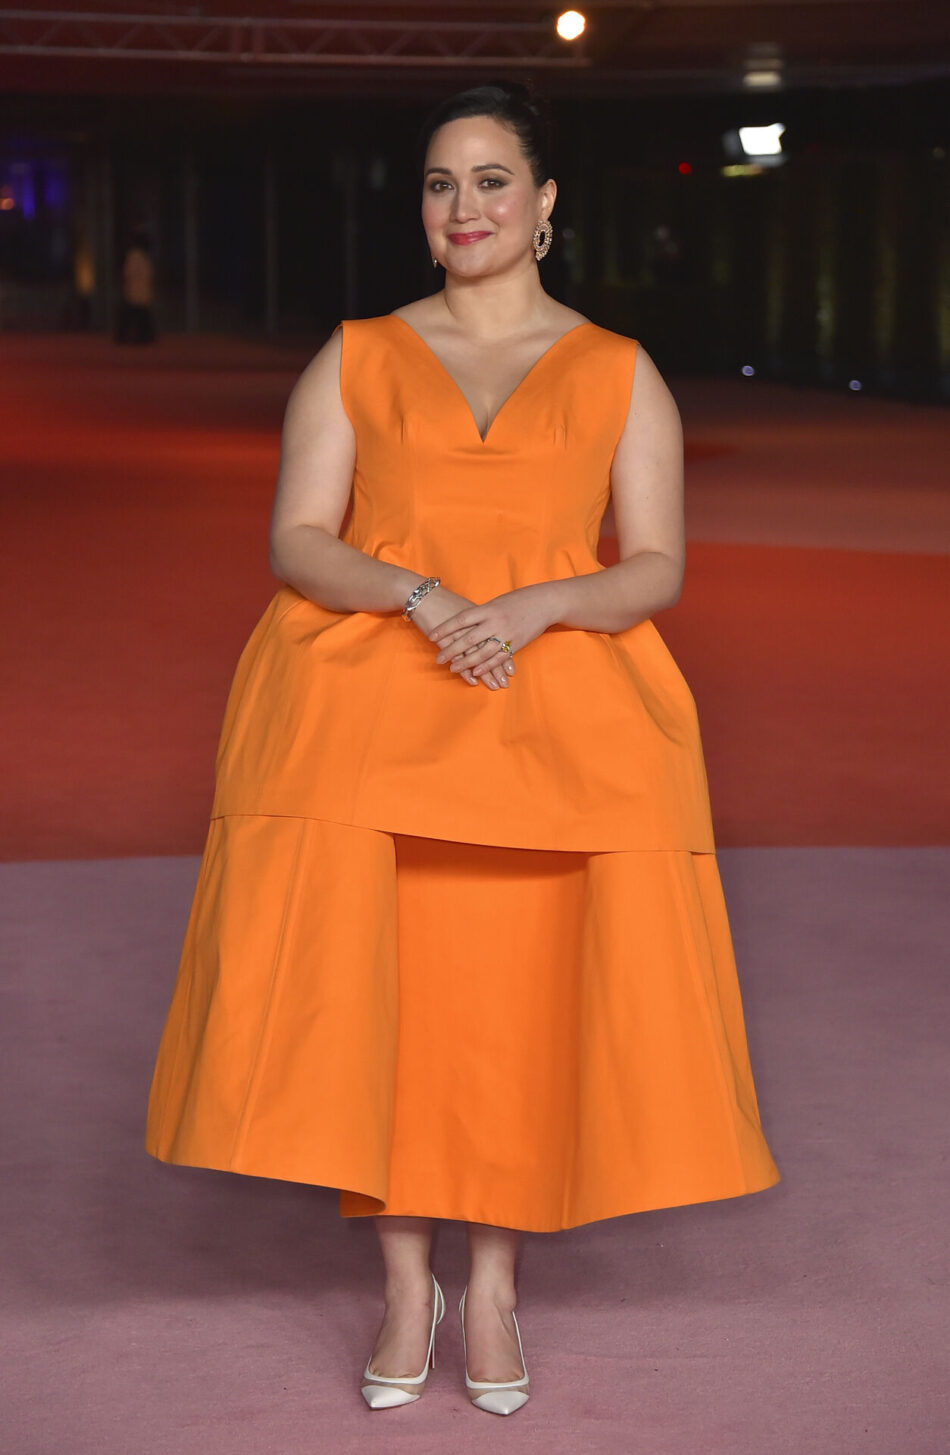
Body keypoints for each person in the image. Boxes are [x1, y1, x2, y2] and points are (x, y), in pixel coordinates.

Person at [145, 79, 780, 1417]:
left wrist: (537, 603)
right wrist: (421, 592)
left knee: (508, 1002)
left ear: (545, 205)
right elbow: (297, 537)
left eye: (493, 180)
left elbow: (653, 565)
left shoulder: (616, 367)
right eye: (441, 184)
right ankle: (400, 1278)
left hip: (548, 710)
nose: (465, 206)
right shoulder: (358, 352)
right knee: (390, 996)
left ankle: (487, 1284)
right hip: (378, 699)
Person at [116, 229, 156, 344]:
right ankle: (143, 337)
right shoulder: (140, 257)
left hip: (135, 292)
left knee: (132, 316)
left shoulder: (135, 256)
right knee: (140, 317)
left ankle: (126, 337)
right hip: (139, 292)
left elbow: (128, 273)